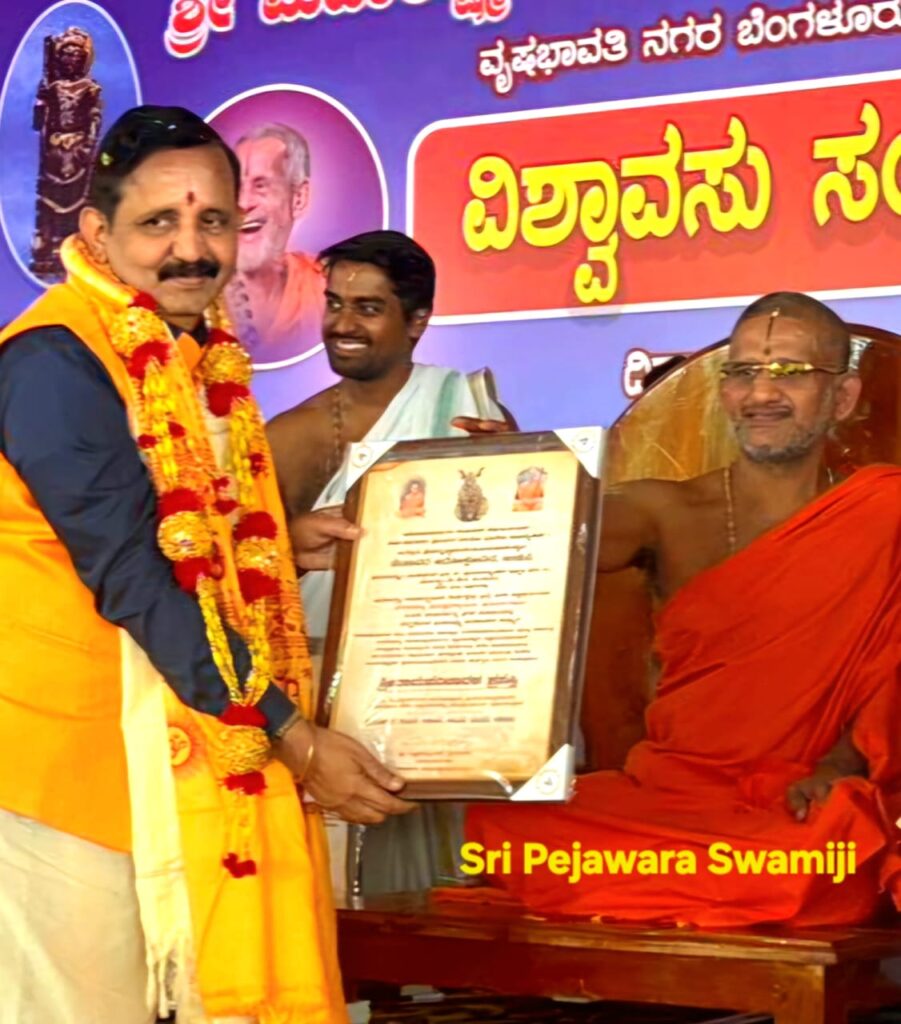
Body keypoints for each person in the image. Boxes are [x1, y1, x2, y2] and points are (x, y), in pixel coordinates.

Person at [0, 105, 412, 1024]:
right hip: (50, 775)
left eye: (214, 221)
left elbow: (179, 531)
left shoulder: (190, 353)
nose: (191, 250)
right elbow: (134, 571)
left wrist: (276, 541)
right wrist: (293, 740)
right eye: (159, 222)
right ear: (97, 232)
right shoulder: (55, 361)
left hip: (144, 750)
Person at [461, 292, 901, 927]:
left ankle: (695, 887)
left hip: (795, 805)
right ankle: (720, 889)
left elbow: (888, 681)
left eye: (790, 372)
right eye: (743, 372)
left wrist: (838, 766)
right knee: (503, 827)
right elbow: (562, 529)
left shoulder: (883, 513)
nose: (761, 394)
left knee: (835, 843)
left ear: (843, 397)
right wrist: (520, 482)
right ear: (724, 392)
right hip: (670, 796)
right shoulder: (665, 510)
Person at [267, 228, 514, 894]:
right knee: (331, 896)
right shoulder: (288, 436)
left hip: (444, 696)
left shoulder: (468, 414)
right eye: (335, 303)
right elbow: (243, 571)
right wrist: (291, 542)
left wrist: (518, 463)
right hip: (321, 704)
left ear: (418, 321)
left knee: (440, 898)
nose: (342, 324)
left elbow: (517, 557)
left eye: (368, 308)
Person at [224, 122, 323, 364]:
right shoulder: (200, 291)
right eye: (235, 187)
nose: (243, 203)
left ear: (298, 198)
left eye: (261, 186)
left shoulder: (324, 288)